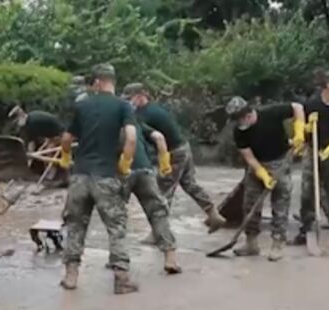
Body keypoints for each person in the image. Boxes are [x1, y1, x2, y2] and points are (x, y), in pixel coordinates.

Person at [58, 63, 139, 295]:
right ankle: (121, 279)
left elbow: (66, 138)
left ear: (96, 82)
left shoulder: (82, 106)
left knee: (75, 225)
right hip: (106, 175)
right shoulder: (123, 106)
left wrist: (66, 157)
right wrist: (125, 164)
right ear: (112, 81)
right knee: (116, 227)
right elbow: (131, 138)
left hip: (80, 175)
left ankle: (71, 277)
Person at [122, 82, 226, 234]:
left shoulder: (143, 114)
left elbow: (154, 138)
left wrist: (163, 162)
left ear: (140, 96)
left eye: (129, 98)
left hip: (173, 153)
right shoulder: (155, 108)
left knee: (162, 192)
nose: (128, 102)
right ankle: (213, 214)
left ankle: (158, 233)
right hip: (184, 146)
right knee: (190, 184)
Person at [225, 96, 305, 261]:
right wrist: (261, 172)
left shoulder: (271, 113)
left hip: (280, 161)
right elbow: (248, 156)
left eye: (241, 119)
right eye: (237, 121)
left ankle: (278, 244)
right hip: (257, 165)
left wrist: (299, 130)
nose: (240, 123)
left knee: (280, 203)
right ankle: (251, 243)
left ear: (248, 113)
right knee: (250, 204)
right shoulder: (239, 131)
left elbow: (297, 107)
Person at [106, 118, 182, 274]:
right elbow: (159, 137)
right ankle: (170, 257)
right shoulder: (135, 121)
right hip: (145, 170)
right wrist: (164, 162)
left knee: (116, 216)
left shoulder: (103, 122)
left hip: (120, 171)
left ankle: (117, 258)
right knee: (157, 213)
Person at [294, 70, 329, 249]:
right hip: (312, 151)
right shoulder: (312, 104)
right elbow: (301, 123)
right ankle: (305, 230)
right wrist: (307, 128)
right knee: (307, 192)